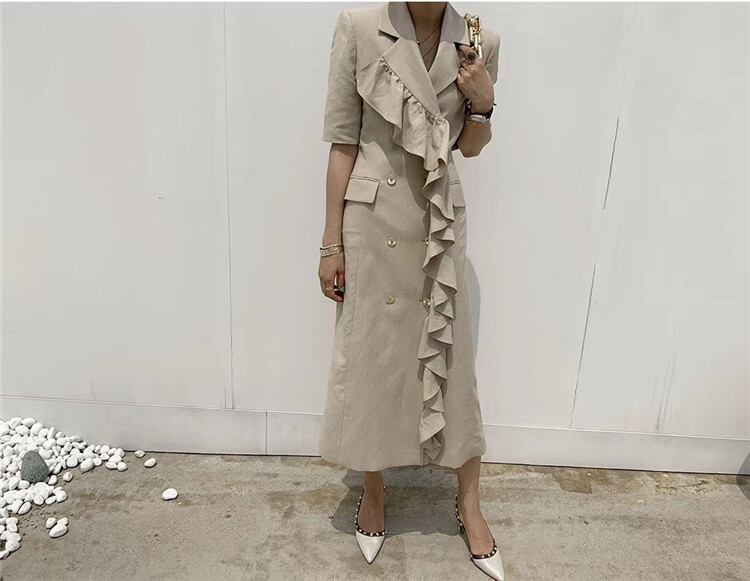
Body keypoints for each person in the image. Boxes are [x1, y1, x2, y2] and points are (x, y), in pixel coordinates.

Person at [317, 2, 503, 578]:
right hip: (372, 221)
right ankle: (373, 489)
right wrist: (330, 243)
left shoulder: (479, 39)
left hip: (437, 221)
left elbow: (470, 147)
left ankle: (469, 503)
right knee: (374, 356)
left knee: (451, 358)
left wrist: (483, 102)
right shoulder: (358, 28)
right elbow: (343, 142)